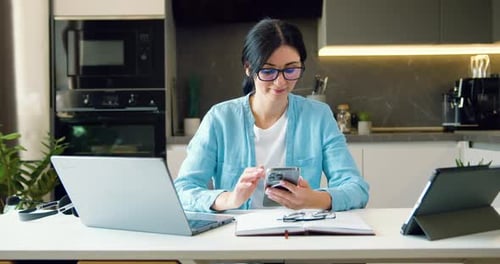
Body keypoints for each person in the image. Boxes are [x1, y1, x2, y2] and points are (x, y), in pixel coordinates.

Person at [174, 18, 369, 213]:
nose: (280, 81)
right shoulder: (220, 119)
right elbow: (183, 190)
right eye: (268, 71)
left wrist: (315, 199)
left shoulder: (318, 117)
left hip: (300, 234)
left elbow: (356, 189)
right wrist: (229, 199)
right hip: (235, 237)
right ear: (249, 68)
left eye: (291, 69)